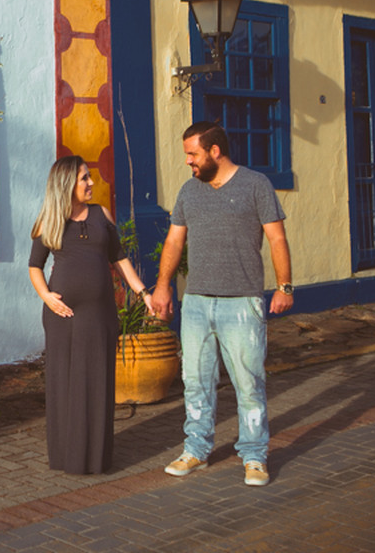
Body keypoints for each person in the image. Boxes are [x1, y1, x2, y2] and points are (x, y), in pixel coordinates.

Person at [149, 121, 293, 487]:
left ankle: (255, 456)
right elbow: (174, 242)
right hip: (196, 303)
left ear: (215, 151)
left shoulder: (256, 185)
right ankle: (196, 449)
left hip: (242, 304)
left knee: (249, 384)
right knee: (195, 381)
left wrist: (284, 287)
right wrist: (163, 285)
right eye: (187, 155)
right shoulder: (189, 192)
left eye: (193, 154)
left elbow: (277, 238)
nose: (188, 162)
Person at [29, 155, 149, 474]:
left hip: (99, 314)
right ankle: (66, 457)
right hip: (62, 315)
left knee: (97, 382)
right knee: (64, 383)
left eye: (89, 177)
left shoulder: (101, 215)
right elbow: (34, 266)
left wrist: (142, 292)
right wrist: (46, 296)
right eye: (84, 178)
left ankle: (94, 458)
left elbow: (119, 258)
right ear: (67, 183)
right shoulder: (49, 220)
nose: (91, 183)